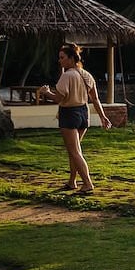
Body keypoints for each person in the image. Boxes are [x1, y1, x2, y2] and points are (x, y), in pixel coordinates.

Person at [38, 43, 111, 193]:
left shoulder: (67, 75)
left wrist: (46, 92)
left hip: (69, 114)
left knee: (75, 151)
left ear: (71, 58)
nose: (60, 61)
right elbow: (95, 99)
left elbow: (58, 98)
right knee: (74, 150)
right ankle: (72, 181)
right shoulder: (87, 75)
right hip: (84, 113)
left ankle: (87, 183)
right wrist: (103, 117)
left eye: (62, 58)